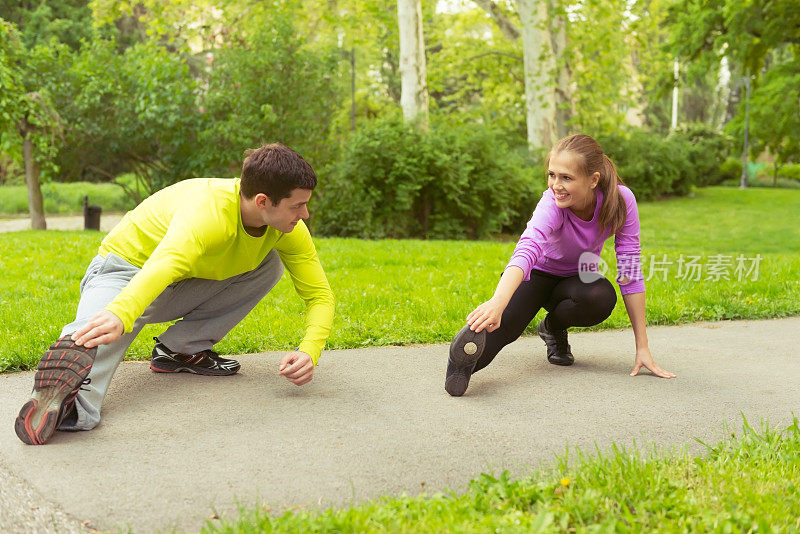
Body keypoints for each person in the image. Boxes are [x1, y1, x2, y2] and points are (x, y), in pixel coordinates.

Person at [15, 143, 335, 445]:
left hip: (177, 280)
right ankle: (72, 402)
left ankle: (179, 351)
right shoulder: (208, 212)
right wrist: (121, 313)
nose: (305, 214)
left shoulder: (288, 230)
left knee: (270, 265)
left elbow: (320, 295)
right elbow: (164, 265)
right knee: (109, 324)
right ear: (263, 201)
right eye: (298, 205)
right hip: (123, 271)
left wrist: (309, 351)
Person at [445, 134, 675, 397]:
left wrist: (642, 347)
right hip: (537, 275)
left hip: (577, 280)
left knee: (600, 296)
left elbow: (630, 268)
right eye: (552, 174)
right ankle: (460, 365)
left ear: (593, 180)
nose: (556, 185)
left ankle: (552, 328)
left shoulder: (621, 201)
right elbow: (528, 247)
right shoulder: (551, 203)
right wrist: (498, 302)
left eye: (566, 177)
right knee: (503, 328)